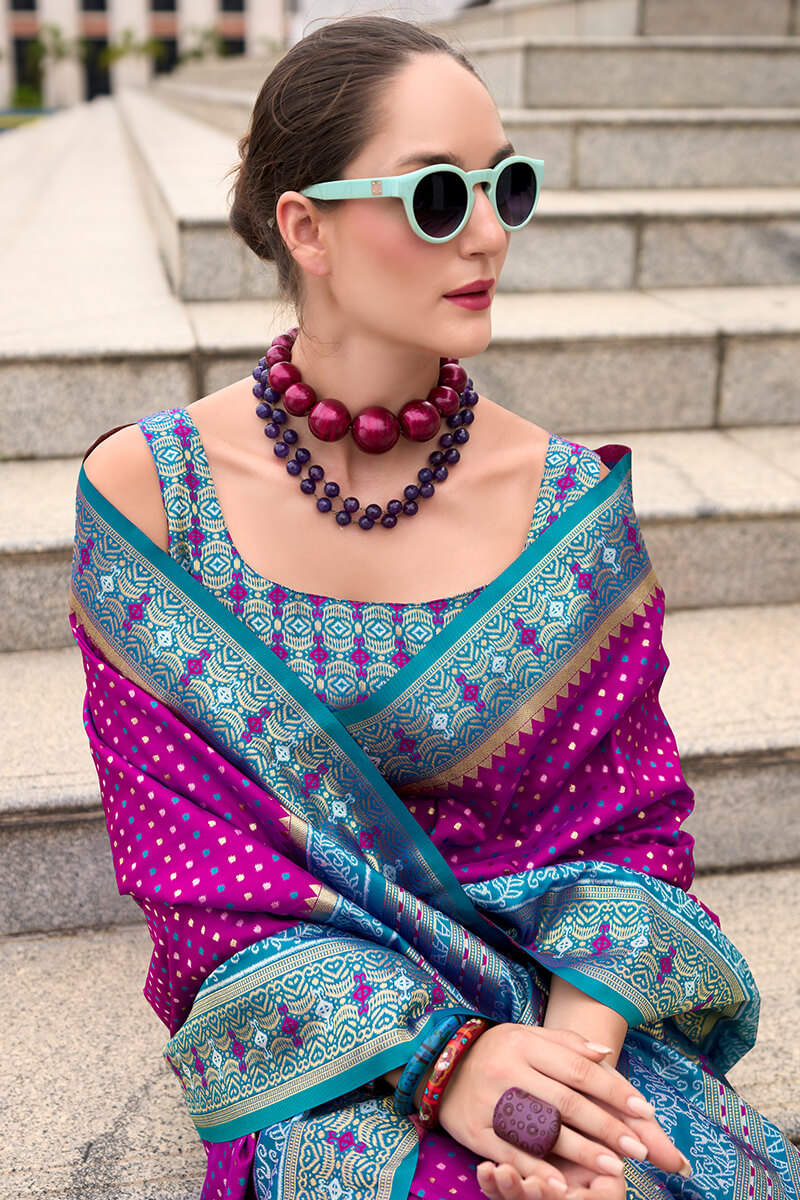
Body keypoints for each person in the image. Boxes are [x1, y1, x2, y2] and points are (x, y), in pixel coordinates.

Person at [70, 15, 800, 1200]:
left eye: (504, 186)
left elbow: (625, 836)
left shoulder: (561, 504)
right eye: (434, 196)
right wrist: (447, 1063)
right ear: (305, 227)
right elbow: (194, 875)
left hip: (558, 1006)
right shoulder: (152, 500)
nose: (489, 233)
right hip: (318, 1037)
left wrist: (563, 1089)